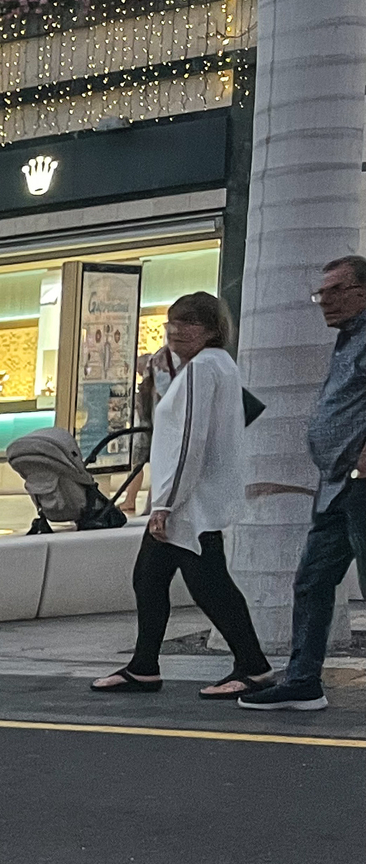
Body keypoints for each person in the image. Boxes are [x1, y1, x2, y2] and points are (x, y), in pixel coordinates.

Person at [88, 292, 272, 700]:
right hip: (191, 498)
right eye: (172, 322)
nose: (175, 330)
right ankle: (144, 665)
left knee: (207, 584)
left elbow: (189, 438)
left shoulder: (205, 367)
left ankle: (252, 665)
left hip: (190, 503)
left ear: (210, 330)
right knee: (152, 577)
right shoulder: (211, 366)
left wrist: (166, 503)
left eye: (187, 323)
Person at [244, 255, 366, 712]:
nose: (325, 301)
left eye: (336, 290)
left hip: (359, 483)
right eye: (322, 293)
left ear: (363, 291)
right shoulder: (349, 340)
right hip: (337, 482)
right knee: (312, 581)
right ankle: (302, 681)